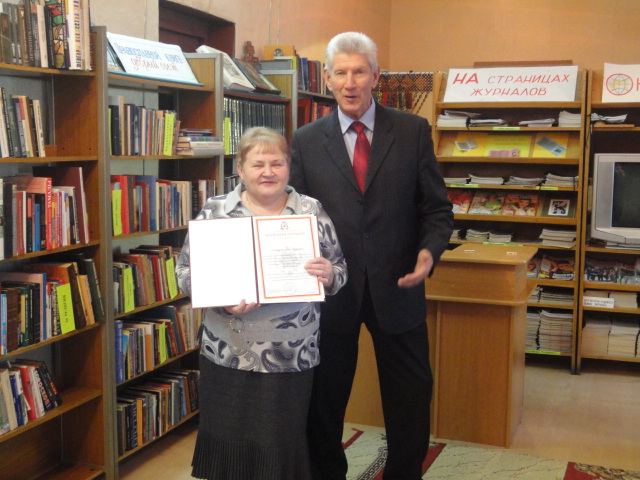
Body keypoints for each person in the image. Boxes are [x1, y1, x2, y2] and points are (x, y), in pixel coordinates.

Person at [289, 32, 454, 480]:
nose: (350, 82)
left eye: (359, 71)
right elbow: (294, 216)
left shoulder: (412, 131)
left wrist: (428, 253)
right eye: (341, 72)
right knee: (324, 400)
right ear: (327, 78)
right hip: (332, 293)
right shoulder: (305, 140)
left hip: (398, 287)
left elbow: (437, 210)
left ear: (376, 76)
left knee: (410, 397)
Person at [176, 126, 348, 480]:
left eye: (276, 163)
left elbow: (340, 270)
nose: (268, 172)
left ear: (288, 167)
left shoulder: (310, 210)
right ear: (240, 170)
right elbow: (184, 273)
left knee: (280, 446)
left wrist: (329, 274)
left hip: (291, 355)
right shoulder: (216, 211)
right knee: (228, 445)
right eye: (258, 164)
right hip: (227, 351)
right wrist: (220, 297)